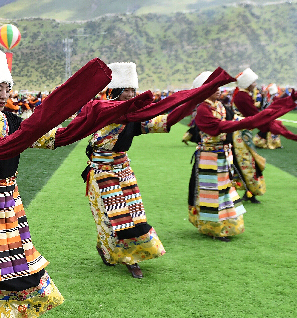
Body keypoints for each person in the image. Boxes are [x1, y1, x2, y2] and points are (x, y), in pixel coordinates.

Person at [0, 50, 161, 318]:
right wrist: (27, 133)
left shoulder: (11, 121)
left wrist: (88, 120)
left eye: (6, 89)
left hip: (7, 198)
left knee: (14, 260)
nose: (3, 95)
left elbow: (50, 137)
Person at [83, 64, 236, 278]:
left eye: (133, 90)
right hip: (102, 170)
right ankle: (111, 250)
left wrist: (193, 99)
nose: (130, 94)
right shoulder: (99, 110)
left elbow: (165, 120)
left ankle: (132, 258)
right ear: (114, 90)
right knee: (115, 216)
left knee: (135, 213)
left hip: (123, 167)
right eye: (126, 89)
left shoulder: (133, 116)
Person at [189, 72, 297, 241]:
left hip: (222, 153)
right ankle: (215, 228)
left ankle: (223, 225)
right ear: (204, 90)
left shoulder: (218, 106)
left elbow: (239, 118)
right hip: (210, 155)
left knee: (224, 191)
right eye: (214, 87)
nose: (219, 90)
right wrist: (251, 120)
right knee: (213, 193)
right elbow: (220, 126)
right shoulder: (203, 109)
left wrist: (274, 110)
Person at [233, 68, 297, 149]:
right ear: (247, 83)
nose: (255, 84)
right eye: (253, 82)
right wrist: (268, 121)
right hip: (239, 129)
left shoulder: (242, 95)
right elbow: (255, 117)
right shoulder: (243, 96)